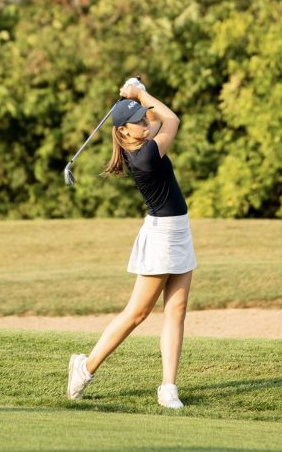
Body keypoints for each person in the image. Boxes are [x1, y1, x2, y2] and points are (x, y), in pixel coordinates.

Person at [67, 79, 197, 409]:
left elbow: (156, 119)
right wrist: (139, 92)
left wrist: (138, 99)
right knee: (136, 314)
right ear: (125, 132)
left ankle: (168, 387)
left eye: (142, 117)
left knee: (176, 311)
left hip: (178, 230)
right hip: (162, 237)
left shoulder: (142, 143)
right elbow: (171, 120)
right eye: (138, 120)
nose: (144, 121)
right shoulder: (145, 156)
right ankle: (85, 367)